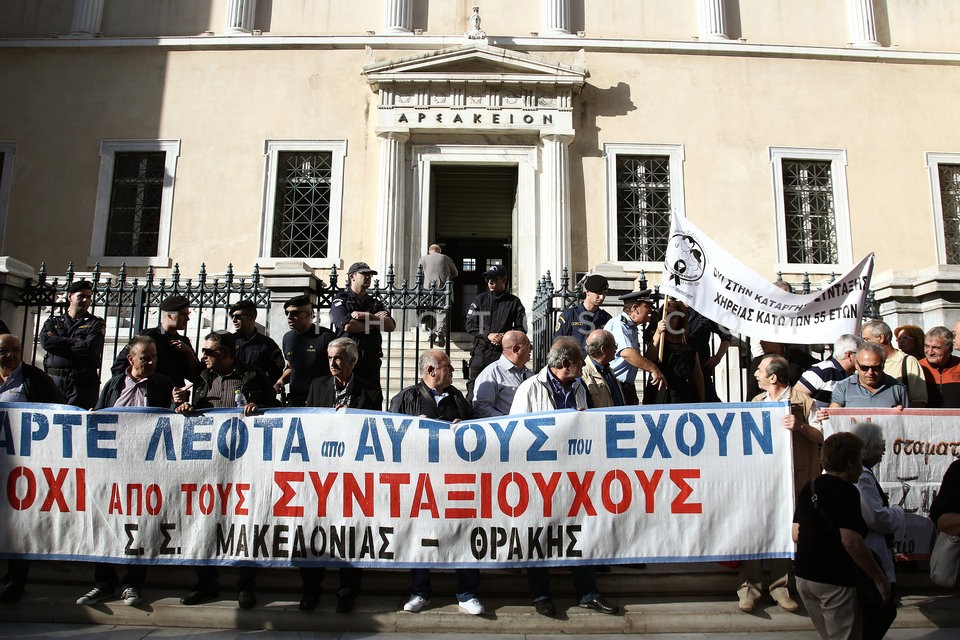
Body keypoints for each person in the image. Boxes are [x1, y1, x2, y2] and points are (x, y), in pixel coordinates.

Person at [509, 337, 618, 617]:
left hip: (575, 475)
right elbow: (514, 433)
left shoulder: (581, 387)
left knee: (581, 531)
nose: (583, 367)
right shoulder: (530, 389)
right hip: (539, 477)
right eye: (580, 362)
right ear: (566, 364)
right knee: (540, 534)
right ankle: (541, 594)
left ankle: (588, 592)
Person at [175, 331, 277, 609]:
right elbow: (191, 411)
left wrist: (261, 409)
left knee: (245, 526)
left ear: (229, 354)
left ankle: (246, 586)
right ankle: (206, 583)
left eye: (211, 352)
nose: (205, 356)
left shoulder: (253, 377)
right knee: (204, 524)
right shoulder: (200, 379)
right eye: (204, 351)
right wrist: (182, 406)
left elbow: (278, 410)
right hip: (207, 467)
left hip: (244, 467)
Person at [76, 335, 175, 607]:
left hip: (144, 469)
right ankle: (104, 582)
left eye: (154, 357)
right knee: (107, 524)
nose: (152, 362)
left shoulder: (163, 385)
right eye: (146, 358)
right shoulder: (114, 384)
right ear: (131, 360)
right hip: (111, 468)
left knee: (138, 526)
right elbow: (100, 414)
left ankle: (133, 583)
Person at [389, 350, 484, 615]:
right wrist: (411, 428)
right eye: (448, 367)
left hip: (455, 481)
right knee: (420, 535)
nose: (453, 372)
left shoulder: (457, 397)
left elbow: (477, 428)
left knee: (463, 532)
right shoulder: (406, 398)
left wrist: (463, 426)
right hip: (421, 483)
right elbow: (390, 438)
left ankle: (468, 593)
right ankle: (420, 591)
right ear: (431, 371)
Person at [300, 337, 381, 612]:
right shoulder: (317, 386)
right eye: (330, 358)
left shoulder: (370, 392)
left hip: (351, 474)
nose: (333, 363)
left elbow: (374, 431)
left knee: (349, 531)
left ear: (353, 361)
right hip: (320, 472)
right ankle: (311, 589)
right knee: (313, 529)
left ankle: (347, 590)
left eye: (339, 358)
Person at [737, 354, 821, 613]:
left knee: (785, 530)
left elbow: (821, 436)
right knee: (755, 527)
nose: (755, 374)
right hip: (760, 479)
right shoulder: (755, 402)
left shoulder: (804, 402)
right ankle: (750, 587)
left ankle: (780, 586)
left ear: (773, 377)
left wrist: (800, 426)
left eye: (759, 370)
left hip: (793, 478)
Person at [793, 432, 890, 640]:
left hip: (804, 576)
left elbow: (795, 533)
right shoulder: (846, 491)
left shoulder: (808, 487)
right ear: (850, 462)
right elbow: (852, 541)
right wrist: (879, 579)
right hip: (834, 579)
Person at [0, 333, 66, 604]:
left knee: (20, 522)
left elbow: (59, 409)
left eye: (16, 350)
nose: (12, 355)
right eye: (5, 350)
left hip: (24, 466)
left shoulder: (34, 379)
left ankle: (17, 578)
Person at [849, 421, 903, 640]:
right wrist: (898, 512)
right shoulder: (861, 476)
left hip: (870, 551)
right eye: (880, 445)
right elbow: (877, 518)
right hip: (869, 552)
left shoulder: (861, 473)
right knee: (881, 612)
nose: (883, 451)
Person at [112, 294, 202, 389]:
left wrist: (188, 353)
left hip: (173, 398)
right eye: (183, 314)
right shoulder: (148, 336)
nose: (187, 319)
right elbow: (119, 365)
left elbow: (195, 375)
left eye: (188, 315)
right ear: (169, 315)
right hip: (147, 394)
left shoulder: (183, 341)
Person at [39, 280, 105, 408]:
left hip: (82, 384)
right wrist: (77, 342)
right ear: (70, 297)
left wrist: (58, 341)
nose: (86, 300)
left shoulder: (95, 323)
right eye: (81, 296)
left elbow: (90, 348)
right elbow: (46, 342)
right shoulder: (54, 321)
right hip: (55, 381)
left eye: (89, 297)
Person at [464, 264, 526, 398]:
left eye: (494, 278)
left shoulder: (514, 302)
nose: (490, 281)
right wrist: (488, 335)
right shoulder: (480, 299)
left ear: (503, 280)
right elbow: (470, 324)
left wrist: (506, 338)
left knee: (504, 391)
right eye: (487, 278)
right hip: (481, 352)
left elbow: (521, 329)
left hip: (503, 354)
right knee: (473, 390)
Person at [331, 262, 396, 388]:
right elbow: (348, 325)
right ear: (352, 277)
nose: (368, 277)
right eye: (364, 274)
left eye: (370, 275)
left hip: (370, 359)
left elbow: (390, 326)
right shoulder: (341, 299)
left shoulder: (374, 303)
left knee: (372, 399)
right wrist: (376, 322)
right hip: (347, 360)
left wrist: (367, 317)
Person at [603, 290, 665, 405]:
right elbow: (626, 353)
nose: (651, 310)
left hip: (626, 386)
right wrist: (653, 369)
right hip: (615, 384)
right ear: (635, 308)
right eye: (647, 306)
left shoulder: (631, 327)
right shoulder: (619, 324)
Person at [275, 295, 334, 406]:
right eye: (287, 313)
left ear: (309, 315)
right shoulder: (287, 338)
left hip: (322, 400)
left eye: (295, 313)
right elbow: (291, 366)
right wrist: (282, 380)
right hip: (295, 400)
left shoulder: (326, 336)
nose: (289, 317)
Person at [644, 299, 704, 404]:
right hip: (662, 394)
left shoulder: (689, 341)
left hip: (685, 394)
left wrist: (702, 399)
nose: (669, 318)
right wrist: (658, 333)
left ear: (680, 318)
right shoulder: (656, 338)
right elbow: (650, 358)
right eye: (666, 314)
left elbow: (697, 372)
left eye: (673, 315)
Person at [861, 320, 927, 407]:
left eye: (867, 340)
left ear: (881, 338)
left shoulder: (908, 362)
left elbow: (919, 400)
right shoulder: (862, 363)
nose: (864, 345)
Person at [826, 343, 908, 410]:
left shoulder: (898, 389)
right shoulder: (843, 387)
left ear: (883, 366)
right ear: (856, 365)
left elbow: (907, 422)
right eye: (864, 368)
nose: (870, 372)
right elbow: (833, 416)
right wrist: (824, 416)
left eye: (876, 368)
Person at [471, 330, 534, 417]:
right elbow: (481, 408)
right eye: (528, 345)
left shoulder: (530, 374)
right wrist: (507, 420)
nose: (532, 348)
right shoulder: (491, 374)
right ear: (516, 349)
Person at [796, 334, 863, 409]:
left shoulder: (854, 376)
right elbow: (796, 398)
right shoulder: (821, 371)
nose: (864, 357)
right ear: (849, 355)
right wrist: (815, 416)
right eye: (860, 354)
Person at [230, 299, 285, 384]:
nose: (234, 320)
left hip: (256, 394)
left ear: (252, 317)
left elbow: (276, 372)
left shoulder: (267, 344)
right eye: (232, 316)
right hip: (229, 391)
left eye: (238, 316)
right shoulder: (229, 341)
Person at [554, 274, 612, 353]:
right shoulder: (570, 315)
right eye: (598, 293)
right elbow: (558, 344)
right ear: (587, 292)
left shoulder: (606, 318)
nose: (602, 297)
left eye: (604, 293)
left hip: (597, 363)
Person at [687, 307, 732, 402]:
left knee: (710, 403)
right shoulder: (672, 309)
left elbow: (726, 336)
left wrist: (717, 357)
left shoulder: (706, 310)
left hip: (703, 366)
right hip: (679, 368)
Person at [417, 244, 458, 347]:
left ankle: (432, 333)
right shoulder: (445, 258)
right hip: (443, 288)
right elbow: (455, 273)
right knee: (441, 310)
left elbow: (419, 275)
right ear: (439, 251)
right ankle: (440, 332)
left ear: (429, 251)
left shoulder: (423, 259)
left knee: (430, 310)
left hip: (427, 289)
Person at [581, 329, 626, 408]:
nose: (616, 350)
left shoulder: (608, 370)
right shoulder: (583, 375)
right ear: (603, 349)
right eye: (615, 346)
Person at [919, 325, 960, 408]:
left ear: (950, 348)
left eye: (936, 348)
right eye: (927, 346)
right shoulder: (919, 367)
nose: (930, 352)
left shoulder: (958, 365)